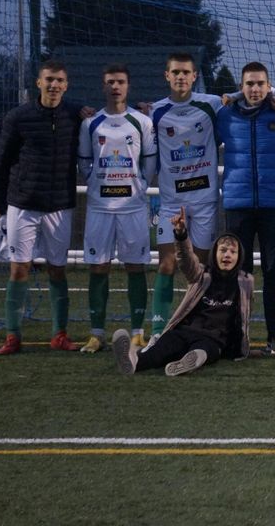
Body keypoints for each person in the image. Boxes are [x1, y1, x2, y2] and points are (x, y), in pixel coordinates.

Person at [0, 61, 85, 355]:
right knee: (19, 269)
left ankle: (59, 334)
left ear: (66, 85)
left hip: (60, 206)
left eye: (59, 80)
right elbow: (0, 164)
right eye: (49, 80)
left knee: (58, 271)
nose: (54, 85)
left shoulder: (75, 114)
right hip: (23, 205)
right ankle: (12, 336)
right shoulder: (18, 117)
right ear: (38, 83)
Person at [113, 207, 253, 376]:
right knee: (159, 352)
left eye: (232, 252)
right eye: (222, 250)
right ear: (214, 254)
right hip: (184, 331)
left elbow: (244, 318)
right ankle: (133, 362)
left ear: (239, 257)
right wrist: (181, 235)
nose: (227, 255)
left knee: (204, 351)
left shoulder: (245, 282)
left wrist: (240, 347)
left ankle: (188, 362)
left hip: (213, 339)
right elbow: (186, 259)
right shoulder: (201, 275)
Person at [77, 64, 157, 352]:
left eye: (120, 82)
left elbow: (149, 161)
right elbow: (84, 162)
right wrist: (95, 183)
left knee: (135, 267)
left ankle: (137, 332)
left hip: (132, 207)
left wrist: (140, 184)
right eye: (110, 82)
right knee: (98, 267)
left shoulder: (142, 122)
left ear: (128, 86)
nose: (115, 87)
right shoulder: (91, 123)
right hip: (100, 207)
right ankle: (97, 334)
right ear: (103, 86)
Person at [147, 52, 226, 341]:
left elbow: (244, 94)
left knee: (199, 270)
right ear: (167, 76)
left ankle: (195, 325)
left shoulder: (212, 104)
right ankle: (158, 331)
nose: (181, 77)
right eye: (175, 72)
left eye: (186, 72)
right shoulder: (153, 111)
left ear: (195, 77)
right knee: (166, 264)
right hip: (169, 202)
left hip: (204, 201)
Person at [216, 62, 275, 354]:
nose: (255, 89)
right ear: (241, 87)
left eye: (261, 83)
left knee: (273, 271)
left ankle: (274, 337)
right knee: (240, 273)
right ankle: (239, 336)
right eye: (249, 84)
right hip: (238, 205)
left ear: (269, 86)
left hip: (274, 205)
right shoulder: (224, 116)